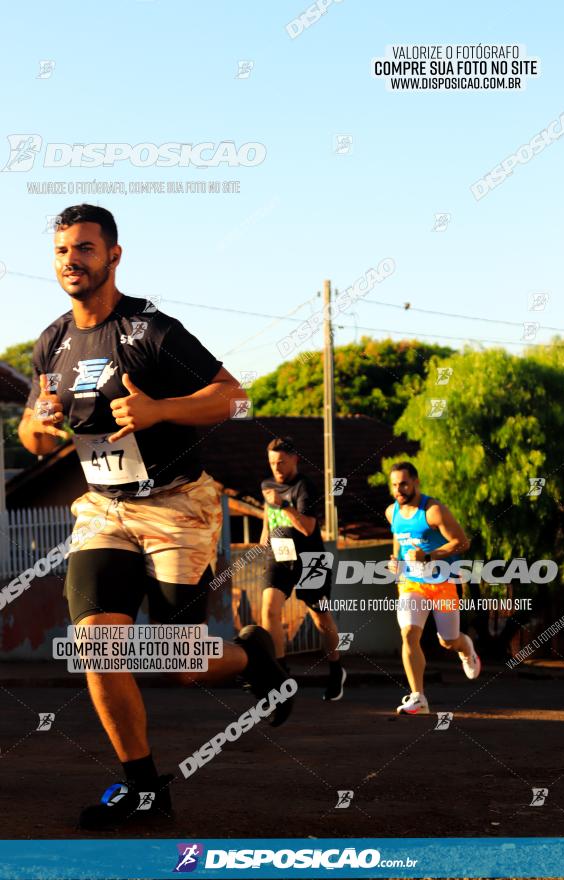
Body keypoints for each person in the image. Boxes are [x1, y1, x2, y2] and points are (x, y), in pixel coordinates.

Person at [17, 204, 294, 830]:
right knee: (100, 646)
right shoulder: (51, 342)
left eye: (86, 249)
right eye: (63, 250)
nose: (72, 260)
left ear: (113, 256)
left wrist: (160, 411)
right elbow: (35, 438)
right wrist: (40, 425)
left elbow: (234, 396)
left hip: (175, 503)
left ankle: (253, 658)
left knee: (179, 661)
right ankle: (143, 786)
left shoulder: (149, 330)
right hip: (102, 509)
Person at [385, 461, 481, 715]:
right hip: (411, 583)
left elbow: (461, 543)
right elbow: (398, 536)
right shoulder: (391, 512)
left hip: (443, 582)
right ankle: (418, 697)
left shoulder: (434, 510)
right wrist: (395, 560)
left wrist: (429, 556)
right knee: (408, 635)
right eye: (394, 485)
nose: (399, 489)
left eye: (404, 483)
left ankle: (466, 648)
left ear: (416, 482)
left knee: (448, 641)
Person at [259, 437, 346, 701]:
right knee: (269, 610)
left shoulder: (305, 486)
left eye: (282, 462)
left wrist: (284, 505)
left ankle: (336, 669)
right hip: (279, 557)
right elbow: (267, 513)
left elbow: (307, 528)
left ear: (295, 459)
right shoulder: (266, 485)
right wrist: (263, 541)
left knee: (321, 617)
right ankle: (281, 675)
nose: (277, 468)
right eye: (273, 463)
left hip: (311, 559)